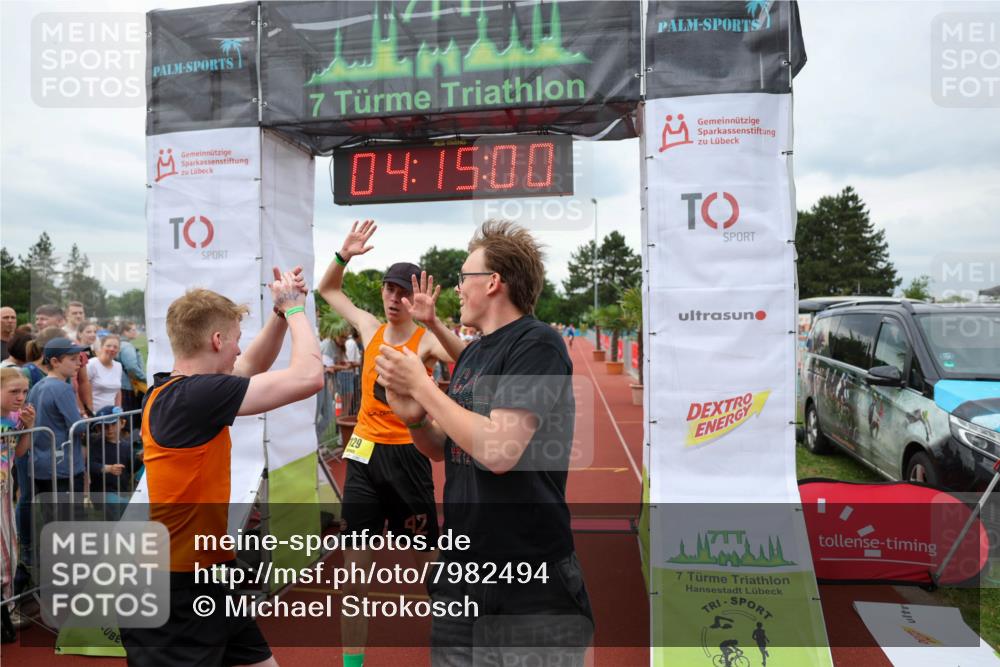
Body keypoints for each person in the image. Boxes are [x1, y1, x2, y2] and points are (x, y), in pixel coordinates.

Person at [374, 220, 593, 666]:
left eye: (462, 277)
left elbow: (498, 452)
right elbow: (446, 449)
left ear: (493, 283)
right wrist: (415, 420)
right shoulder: (474, 352)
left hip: (528, 579)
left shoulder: (539, 343)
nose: (456, 288)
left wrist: (424, 386)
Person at [120, 267, 322, 667]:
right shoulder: (195, 396)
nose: (237, 349)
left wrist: (280, 315)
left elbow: (250, 366)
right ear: (216, 340)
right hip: (174, 588)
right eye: (234, 339)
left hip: (208, 574)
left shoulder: (176, 389)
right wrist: (297, 310)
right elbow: (309, 376)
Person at [317, 219, 459, 667]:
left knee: (434, 569)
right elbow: (328, 291)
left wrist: (433, 320)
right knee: (353, 573)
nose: (395, 299)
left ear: (415, 297)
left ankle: (456, 644)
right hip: (362, 456)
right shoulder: (368, 328)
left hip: (409, 458)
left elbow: (470, 359)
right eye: (389, 289)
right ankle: (352, 663)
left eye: (404, 292)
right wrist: (344, 254)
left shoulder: (426, 341)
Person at [0, 368, 35, 642]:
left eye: (24, 391)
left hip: (5, 492)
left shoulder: (15, 417)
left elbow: (19, 452)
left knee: (10, 550)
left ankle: (8, 608)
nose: (21, 397)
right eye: (14, 391)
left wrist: (29, 427)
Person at [87, 334, 122, 413]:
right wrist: (89, 411)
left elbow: (118, 390)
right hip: (95, 414)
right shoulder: (92, 364)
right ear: (101, 347)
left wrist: (118, 409)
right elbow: (83, 388)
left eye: (115, 347)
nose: (112, 349)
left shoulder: (118, 366)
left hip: (111, 414)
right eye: (108, 346)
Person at [117, 321, 146, 412]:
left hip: (123, 386)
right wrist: (144, 378)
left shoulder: (120, 344)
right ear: (125, 332)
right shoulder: (127, 346)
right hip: (129, 387)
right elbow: (131, 367)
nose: (135, 331)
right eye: (133, 330)